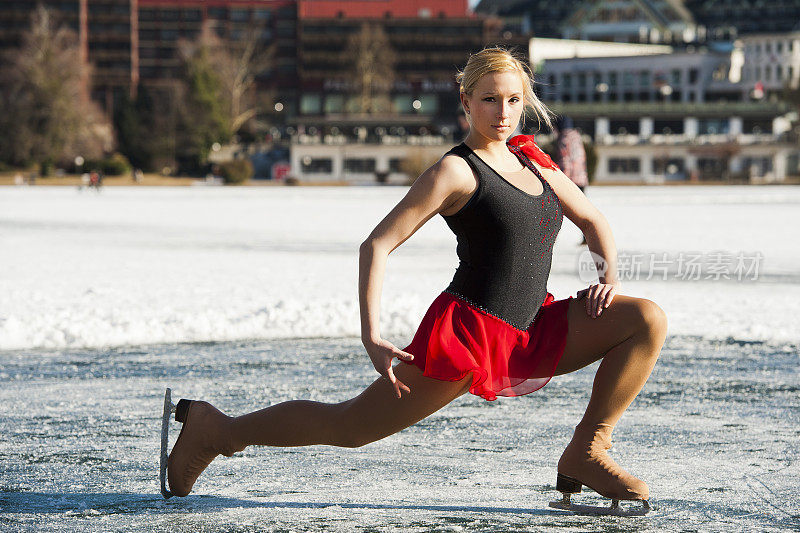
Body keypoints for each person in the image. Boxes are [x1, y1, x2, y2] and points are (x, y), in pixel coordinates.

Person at [164, 47, 668, 510]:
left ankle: (587, 450)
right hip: (470, 334)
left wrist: (608, 276)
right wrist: (371, 336)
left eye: (513, 100)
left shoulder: (531, 158)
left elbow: (593, 220)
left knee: (645, 319)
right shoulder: (456, 172)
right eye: (490, 100)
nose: (503, 112)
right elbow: (376, 245)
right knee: (352, 426)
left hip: (534, 325)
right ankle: (219, 431)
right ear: (466, 101)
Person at [553, 116, 589, 245]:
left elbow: (565, 160)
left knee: (556, 211)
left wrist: (561, 179)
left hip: (569, 179)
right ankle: (587, 237)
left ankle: (551, 238)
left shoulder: (564, 138)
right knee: (583, 210)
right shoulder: (577, 137)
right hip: (581, 178)